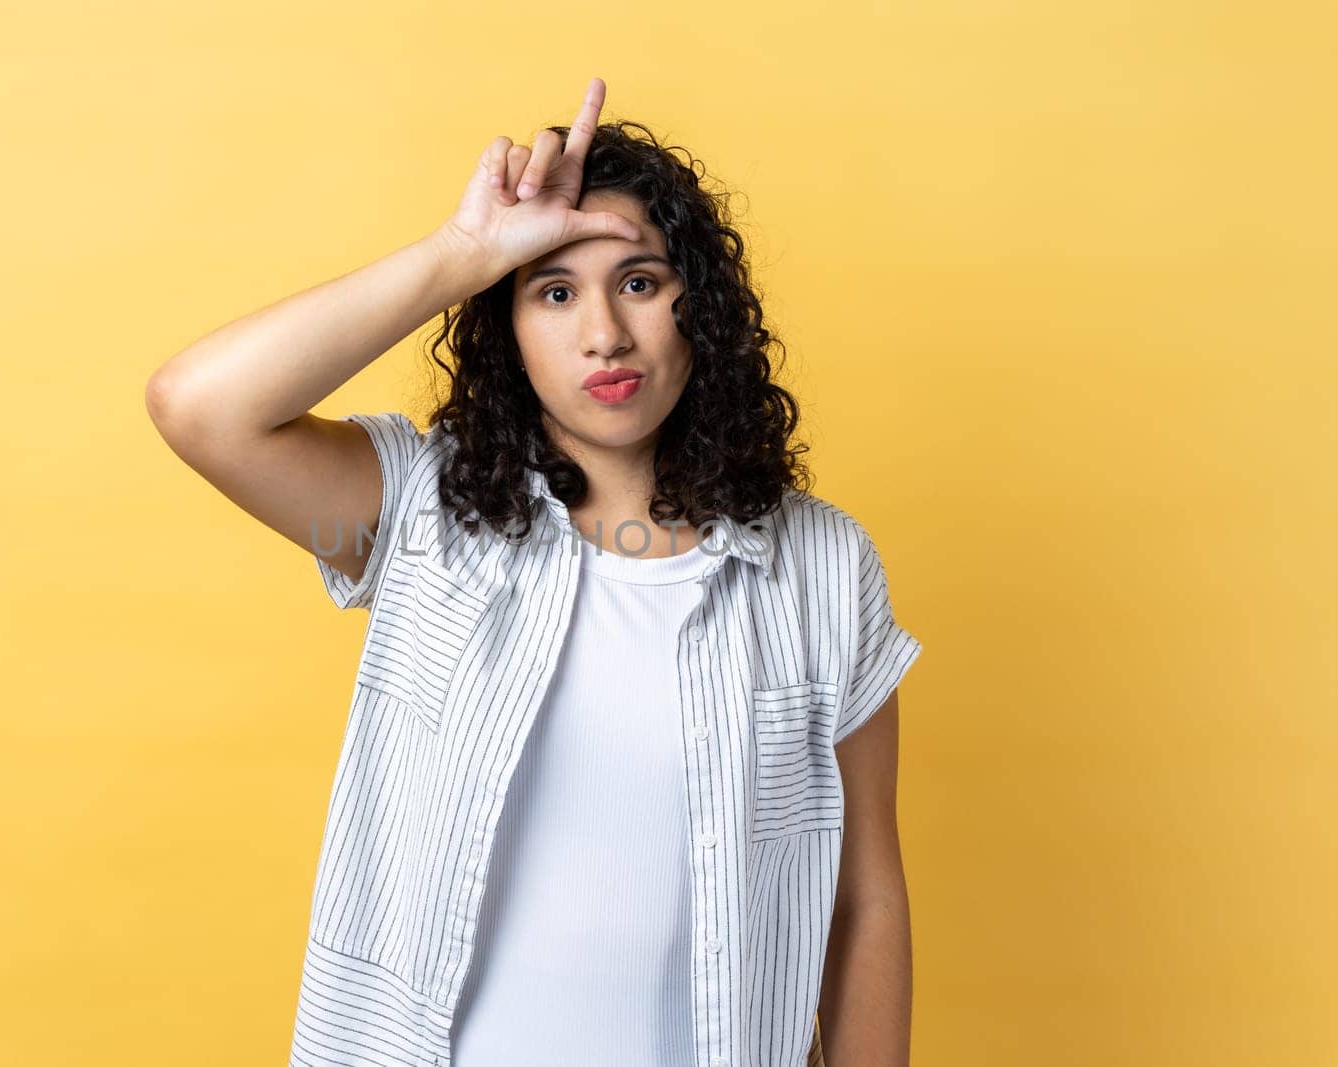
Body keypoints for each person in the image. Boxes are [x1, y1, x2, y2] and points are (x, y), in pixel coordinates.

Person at [146, 77, 921, 1067]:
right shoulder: (422, 515)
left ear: (700, 304)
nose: (605, 332)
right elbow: (199, 406)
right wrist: (463, 255)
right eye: (553, 291)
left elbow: (864, 895)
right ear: (505, 330)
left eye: (638, 281)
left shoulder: (821, 565)